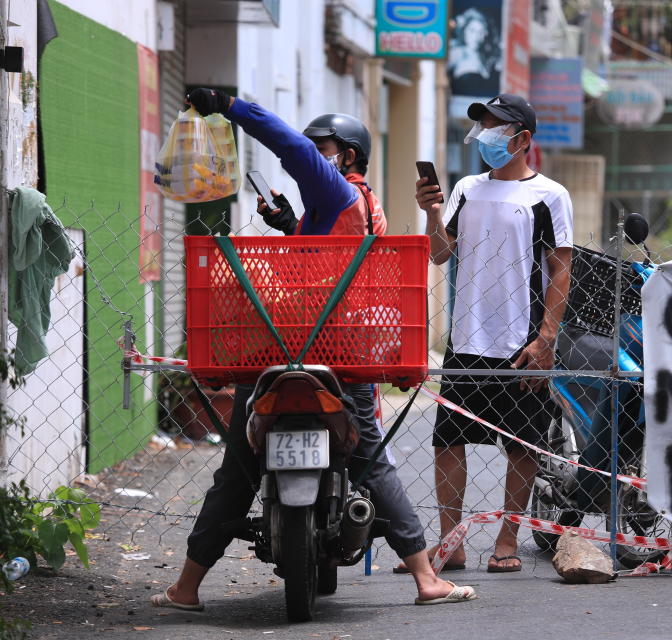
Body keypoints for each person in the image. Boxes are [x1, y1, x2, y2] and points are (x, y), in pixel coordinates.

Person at [151, 88, 476, 610]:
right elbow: (329, 258)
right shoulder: (365, 206)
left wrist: (231, 106)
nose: (311, 152)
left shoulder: (335, 189)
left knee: (237, 469)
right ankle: (425, 579)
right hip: (344, 350)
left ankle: (186, 587)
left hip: (286, 345)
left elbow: (291, 151)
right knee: (371, 462)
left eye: (321, 146)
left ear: (344, 155)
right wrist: (289, 226)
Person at [399, 94, 573, 573]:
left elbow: (561, 269)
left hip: (521, 344)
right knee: (448, 440)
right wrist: (432, 213)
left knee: (521, 443)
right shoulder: (466, 189)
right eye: (483, 125)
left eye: (498, 127)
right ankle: (450, 542)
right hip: (466, 339)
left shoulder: (550, 196)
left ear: (522, 140)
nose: (486, 134)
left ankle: (507, 539)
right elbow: (440, 254)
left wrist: (546, 338)